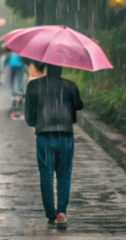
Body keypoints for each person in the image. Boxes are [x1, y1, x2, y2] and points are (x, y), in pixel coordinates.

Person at [24, 61, 84, 228]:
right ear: (62, 67)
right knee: (64, 175)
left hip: (44, 135)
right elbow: (79, 105)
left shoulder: (34, 86)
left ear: (45, 66)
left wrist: (39, 120)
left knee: (46, 175)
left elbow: (29, 118)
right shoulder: (70, 85)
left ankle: (50, 213)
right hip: (65, 135)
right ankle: (61, 212)